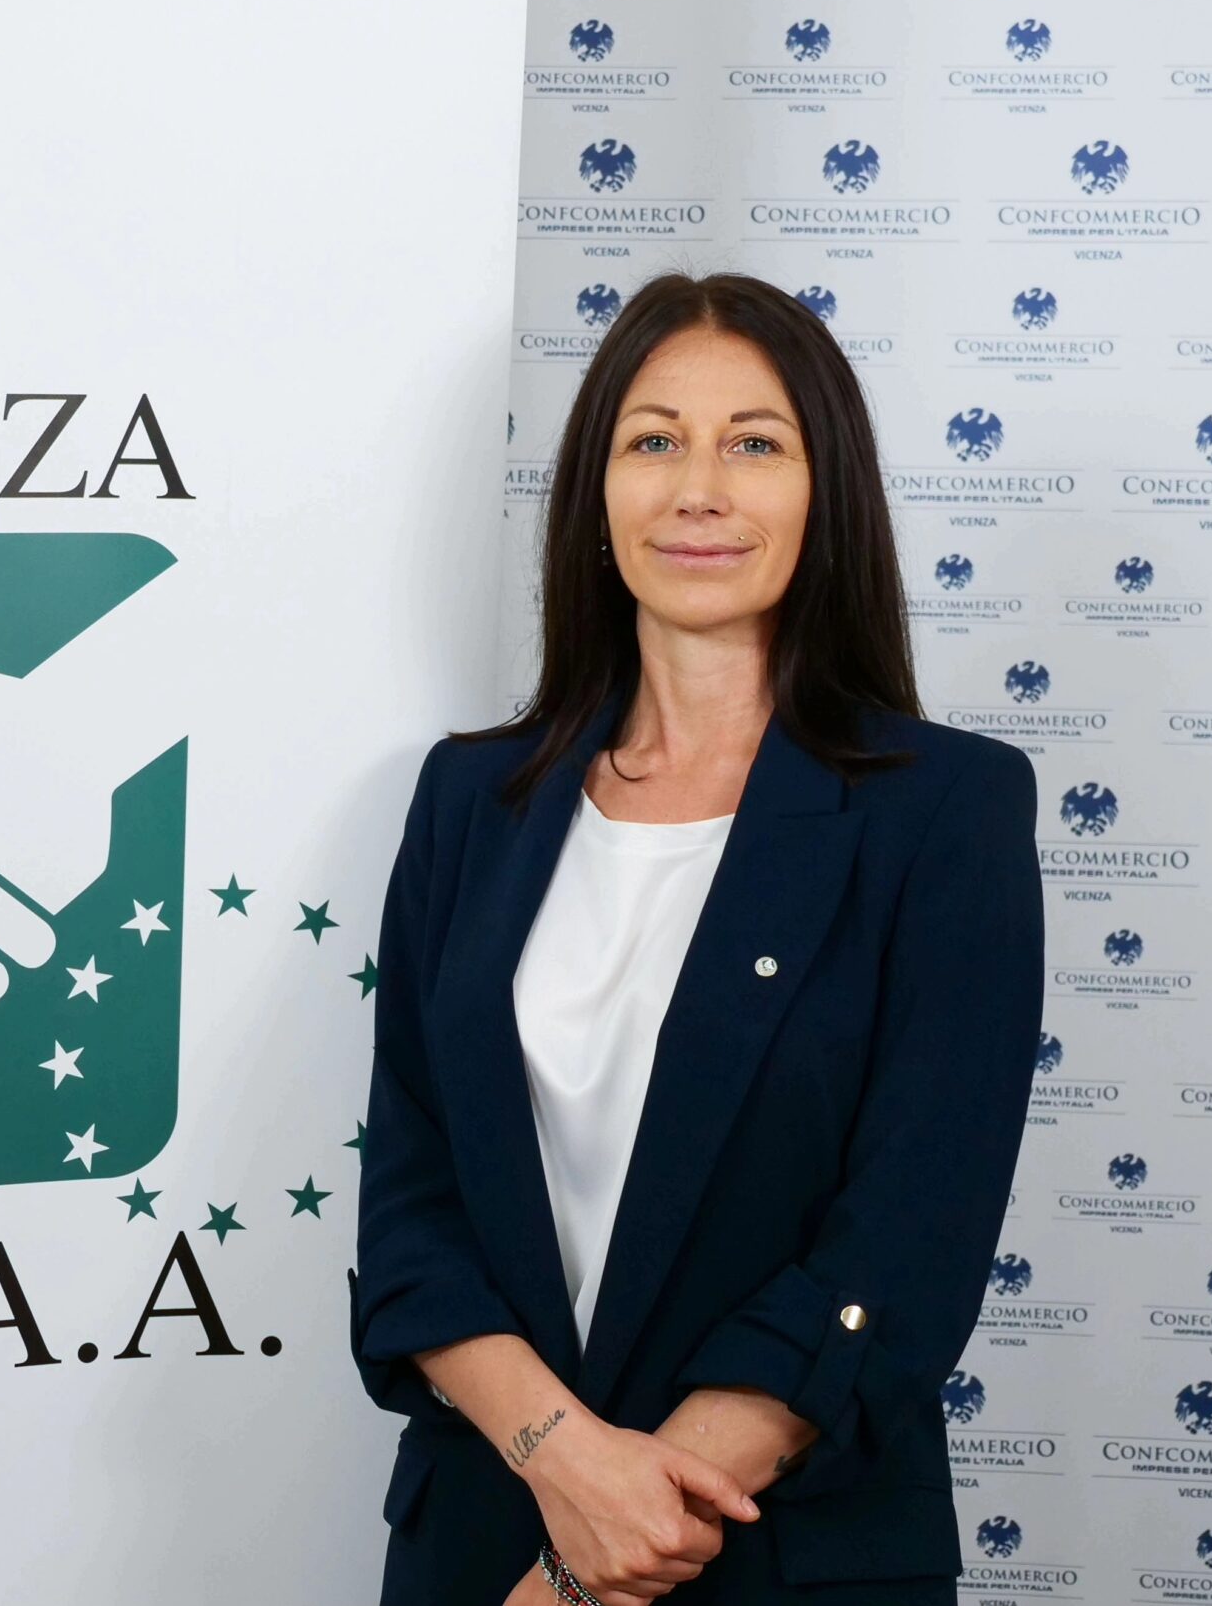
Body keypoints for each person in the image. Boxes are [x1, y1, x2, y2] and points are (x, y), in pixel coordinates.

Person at [347, 272, 1046, 1603]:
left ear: (827, 493)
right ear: (595, 493)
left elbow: (904, 1244)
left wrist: (595, 1567)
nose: (700, 489)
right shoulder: (471, 800)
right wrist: (564, 1470)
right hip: (480, 1539)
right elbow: (412, 1210)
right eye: (655, 439)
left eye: (756, 444)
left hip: (774, 1554)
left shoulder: (944, 811)